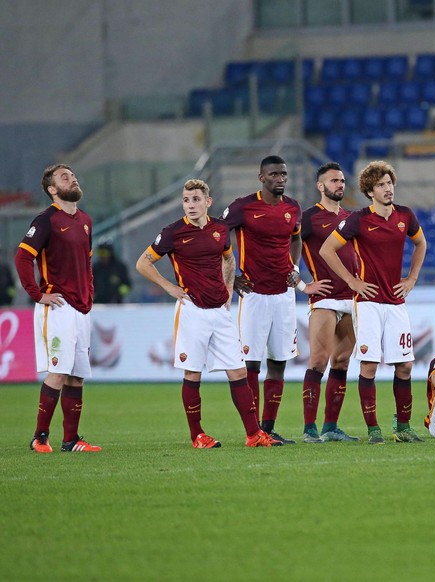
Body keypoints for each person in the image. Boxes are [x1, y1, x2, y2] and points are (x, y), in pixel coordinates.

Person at [135, 179, 272, 448]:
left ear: (208, 202)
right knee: (192, 373)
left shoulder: (219, 229)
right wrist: (168, 287)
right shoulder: (173, 233)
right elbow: (144, 263)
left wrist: (229, 291)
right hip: (192, 311)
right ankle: (197, 435)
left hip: (220, 312)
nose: (191, 205)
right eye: (186, 200)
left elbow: (229, 259)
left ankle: (253, 434)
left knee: (238, 372)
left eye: (196, 199)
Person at [220, 155, 330, 445]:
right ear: (261, 178)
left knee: (278, 361)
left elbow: (296, 239)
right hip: (254, 295)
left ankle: (268, 427)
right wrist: (230, 277)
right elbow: (218, 233)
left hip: (283, 296)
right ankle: (253, 429)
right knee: (251, 364)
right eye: (274, 174)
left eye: (283, 174)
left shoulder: (292, 207)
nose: (280, 178)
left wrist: (295, 270)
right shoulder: (243, 206)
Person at [320, 160, 427, 444]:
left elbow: (421, 244)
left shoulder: (405, 215)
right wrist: (352, 282)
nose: (387, 188)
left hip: (396, 303)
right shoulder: (358, 219)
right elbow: (326, 249)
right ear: (370, 191)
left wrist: (412, 278)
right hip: (367, 303)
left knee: (404, 366)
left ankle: (403, 427)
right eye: (380, 185)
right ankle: (373, 429)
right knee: (369, 366)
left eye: (389, 183)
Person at [14, 164, 101, 452]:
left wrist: (88, 291)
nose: (72, 178)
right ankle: (39, 437)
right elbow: (23, 257)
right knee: (58, 372)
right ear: (52, 189)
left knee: (76, 375)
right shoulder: (46, 220)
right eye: (65, 177)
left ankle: (71, 440)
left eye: (73, 175)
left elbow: (85, 262)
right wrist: (36, 294)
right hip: (58, 305)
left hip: (80, 308)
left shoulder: (85, 220)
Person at [299, 162, 360, 442]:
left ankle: (330, 427)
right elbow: (284, 248)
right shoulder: (309, 218)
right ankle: (309, 428)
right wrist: (301, 283)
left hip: (352, 298)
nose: (340, 184)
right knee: (318, 361)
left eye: (342, 180)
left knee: (342, 362)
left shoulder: (351, 217)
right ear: (320, 186)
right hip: (324, 298)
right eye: (334, 180)